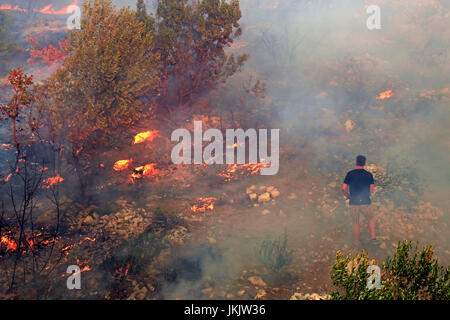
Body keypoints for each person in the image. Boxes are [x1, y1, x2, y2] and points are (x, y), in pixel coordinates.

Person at [342, 155, 377, 246]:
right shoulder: (368, 174)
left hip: (353, 202)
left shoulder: (350, 174)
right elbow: (372, 189)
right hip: (365, 202)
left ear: (356, 162)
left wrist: (348, 196)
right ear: (364, 163)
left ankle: (357, 242)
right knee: (370, 219)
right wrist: (367, 195)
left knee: (356, 222)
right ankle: (373, 238)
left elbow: (344, 188)